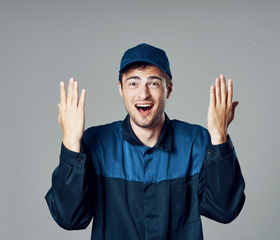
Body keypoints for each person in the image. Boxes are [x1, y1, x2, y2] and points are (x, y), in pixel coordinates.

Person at [45, 43, 245, 240]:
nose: (143, 94)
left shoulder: (196, 142)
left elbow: (225, 210)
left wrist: (219, 138)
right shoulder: (96, 144)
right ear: (121, 89)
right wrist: (71, 144)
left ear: (169, 89)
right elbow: (69, 218)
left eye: (153, 83)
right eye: (133, 83)